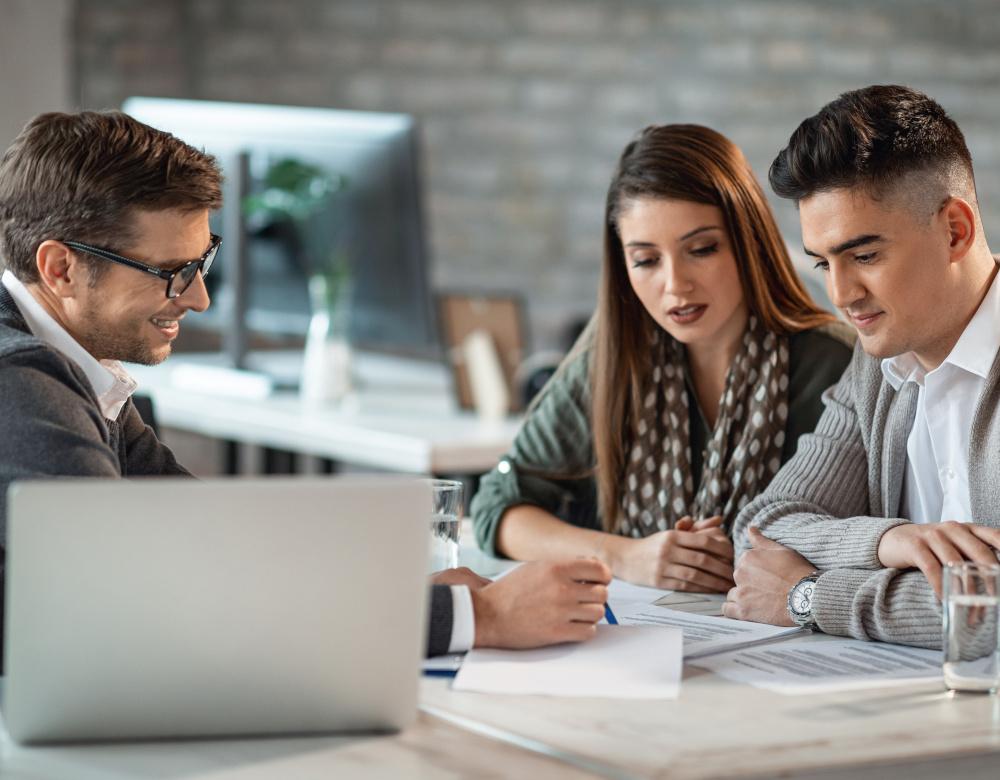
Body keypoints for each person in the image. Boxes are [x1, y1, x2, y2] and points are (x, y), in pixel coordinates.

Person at [0, 110, 608, 661]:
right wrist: (480, 617)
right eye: (172, 274)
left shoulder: (77, 369)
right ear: (61, 268)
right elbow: (148, 603)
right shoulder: (23, 382)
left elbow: (208, 539)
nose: (200, 298)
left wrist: (406, 595)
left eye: (202, 263)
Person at [471, 124, 854, 591]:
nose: (675, 285)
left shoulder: (832, 365)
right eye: (646, 260)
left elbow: (852, 541)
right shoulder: (615, 358)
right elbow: (497, 509)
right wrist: (625, 556)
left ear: (748, 242)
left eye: (702, 249)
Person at [725, 85, 1000, 648]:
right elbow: (763, 529)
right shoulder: (879, 357)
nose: (842, 294)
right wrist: (887, 541)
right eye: (824, 263)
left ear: (955, 230)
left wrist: (809, 597)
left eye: (865, 256)